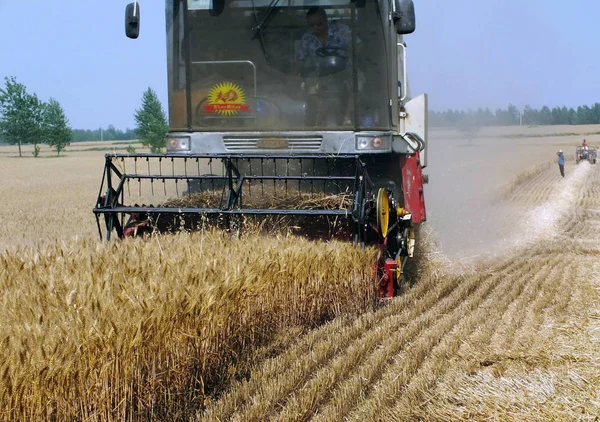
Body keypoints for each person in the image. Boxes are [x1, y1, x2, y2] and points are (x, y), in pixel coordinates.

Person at [293, 7, 359, 126]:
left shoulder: (342, 30)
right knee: (308, 85)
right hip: (319, 73)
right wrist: (291, 77)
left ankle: (347, 116)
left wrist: (351, 53)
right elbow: (300, 59)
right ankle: (320, 113)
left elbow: (358, 45)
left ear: (326, 19)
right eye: (312, 25)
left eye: (319, 24)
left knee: (357, 83)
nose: (316, 27)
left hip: (345, 69)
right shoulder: (307, 38)